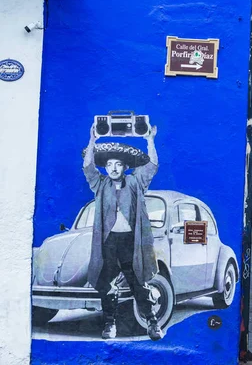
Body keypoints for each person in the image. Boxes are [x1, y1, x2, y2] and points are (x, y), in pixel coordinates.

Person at [83, 124, 164, 341]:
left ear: (125, 166)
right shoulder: (100, 185)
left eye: (118, 164)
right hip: (109, 244)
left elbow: (152, 166)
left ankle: (152, 323)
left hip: (131, 243)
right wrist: (92, 140)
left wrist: (150, 140)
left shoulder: (135, 182)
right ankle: (110, 324)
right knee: (105, 283)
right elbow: (88, 168)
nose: (113, 169)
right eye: (109, 165)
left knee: (138, 283)